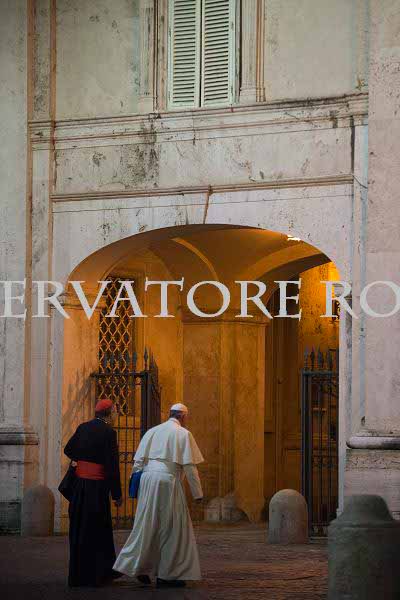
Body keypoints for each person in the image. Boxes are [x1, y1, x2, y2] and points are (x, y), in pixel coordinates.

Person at [113, 403, 204, 588]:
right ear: (183, 417)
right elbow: (189, 466)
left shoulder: (152, 432)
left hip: (147, 479)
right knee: (172, 528)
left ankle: (133, 566)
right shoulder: (183, 434)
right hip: (168, 481)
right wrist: (198, 493)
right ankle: (167, 575)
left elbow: (138, 463)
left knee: (146, 525)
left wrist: (136, 487)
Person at [64, 398, 122, 587]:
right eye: (115, 411)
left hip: (80, 487)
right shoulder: (109, 432)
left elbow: (68, 449)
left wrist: (82, 459)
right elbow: (112, 466)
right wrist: (117, 494)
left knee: (79, 530)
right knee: (98, 531)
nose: (116, 415)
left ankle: (78, 576)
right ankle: (98, 574)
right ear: (109, 413)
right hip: (97, 489)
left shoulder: (83, 427)